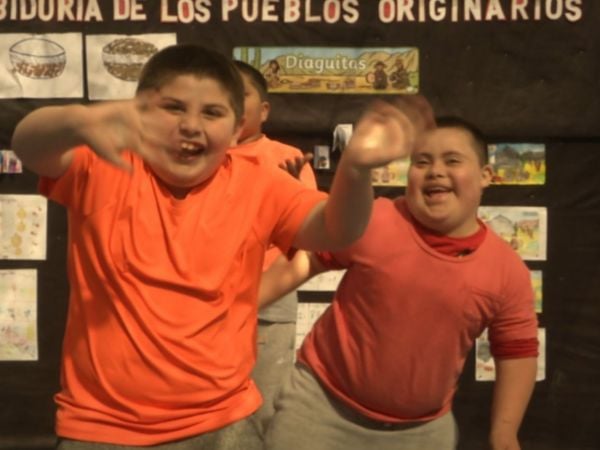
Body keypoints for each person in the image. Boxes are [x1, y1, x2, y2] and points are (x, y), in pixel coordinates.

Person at [11, 44, 428, 449]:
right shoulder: (103, 164)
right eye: (173, 107)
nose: (191, 125)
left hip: (224, 421)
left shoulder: (260, 181)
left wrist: (355, 169)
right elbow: (29, 146)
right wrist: (78, 120)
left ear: (236, 128)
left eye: (211, 113)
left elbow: (336, 230)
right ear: (139, 112)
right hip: (102, 427)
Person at [260, 116, 539, 450]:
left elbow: (517, 351)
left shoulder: (507, 270)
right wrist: (241, 306)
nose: (435, 171)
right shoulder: (373, 218)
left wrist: (505, 432)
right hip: (318, 411)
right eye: (422, 162)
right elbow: (306, 259)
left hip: (422, 434)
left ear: (485, 176)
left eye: (452, 160)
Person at [232, 59, 317, 438]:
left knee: (262, 406)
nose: (231, 103)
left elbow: (311, 240)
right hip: (204, 299)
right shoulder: (197, 157)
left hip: (271, 299)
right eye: (222, 95)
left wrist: (293, 199)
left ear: (264, 110)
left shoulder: (287, 158)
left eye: (241, 94)